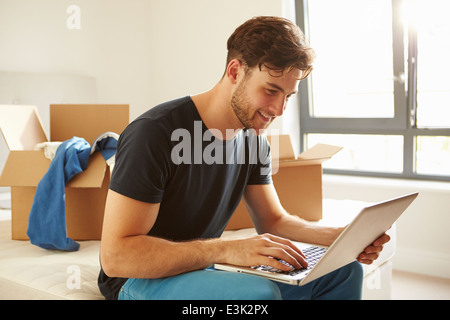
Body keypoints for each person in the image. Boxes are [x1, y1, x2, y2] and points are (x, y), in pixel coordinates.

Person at [98, 16, 390, 300]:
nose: (278, 109)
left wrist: (341, 237)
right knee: (258, 294)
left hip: (205, 267)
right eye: (271, 91)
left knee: (344, 271)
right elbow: (116, 257)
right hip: (139, 279)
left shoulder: (253, 140)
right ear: (235, 72)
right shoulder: (154, 132)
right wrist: (226, 249)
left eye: (287, 96)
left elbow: (273, 221)